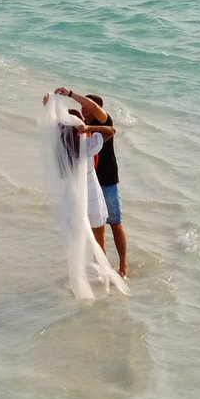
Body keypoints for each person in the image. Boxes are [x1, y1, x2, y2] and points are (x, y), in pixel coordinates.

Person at [56, 85, 127, 278]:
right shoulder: (78, 134)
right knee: (96, 227)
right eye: (83, 108)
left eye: (88, 107)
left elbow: (110, 129)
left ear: (98, 110)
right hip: (88, 185)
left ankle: (122, 265)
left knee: (114, 222)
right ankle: (100, 267)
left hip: (107, 180)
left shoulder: (101, 124)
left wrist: (70, 94)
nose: (84, 109)